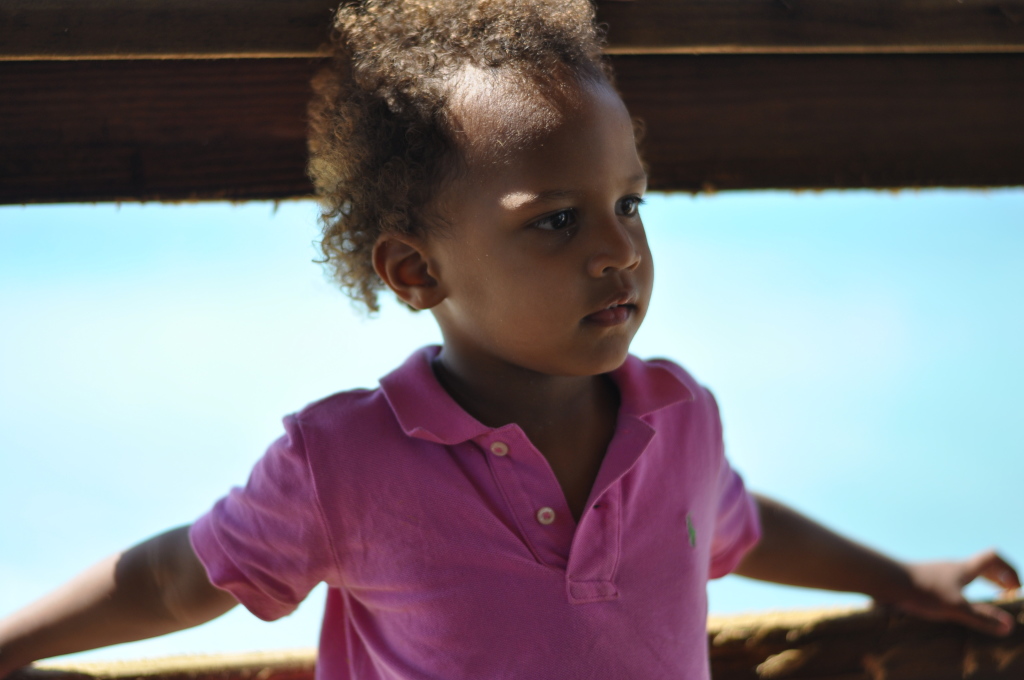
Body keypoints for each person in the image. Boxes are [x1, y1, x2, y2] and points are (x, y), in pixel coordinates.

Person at [0, 1, 1019, 678]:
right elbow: (174, 577)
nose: (619, 250)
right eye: (557, 220)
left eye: (629, 203)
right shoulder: (343, 463)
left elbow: (732, 521)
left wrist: (900, 577)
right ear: (415, 271)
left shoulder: (680, 418)